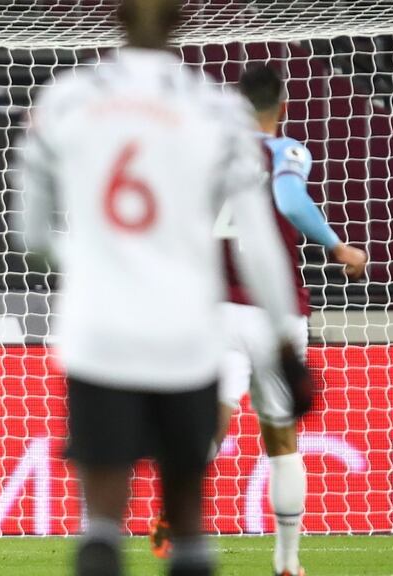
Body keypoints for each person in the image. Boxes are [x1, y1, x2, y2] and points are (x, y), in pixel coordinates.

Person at [13, 1, 310, 575]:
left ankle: (100, 543)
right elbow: (262, 246)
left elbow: (29, 234)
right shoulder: (218, 112)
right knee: (186, 508)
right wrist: (282, 342)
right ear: (182, 18)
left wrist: (99, 262)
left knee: (101, 518)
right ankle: (248, 556)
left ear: (117, 15)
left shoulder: (68, 98)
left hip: (99, 331)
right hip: (186, 331)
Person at [149, 64, 368, 576]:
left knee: (212, 418)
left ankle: (178, 510)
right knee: (282, 440)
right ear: (283, 108)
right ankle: (288, 562)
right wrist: (338, 247)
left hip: (216, 306)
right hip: (275, 309)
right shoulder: (286, 150)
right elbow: (290, 199)